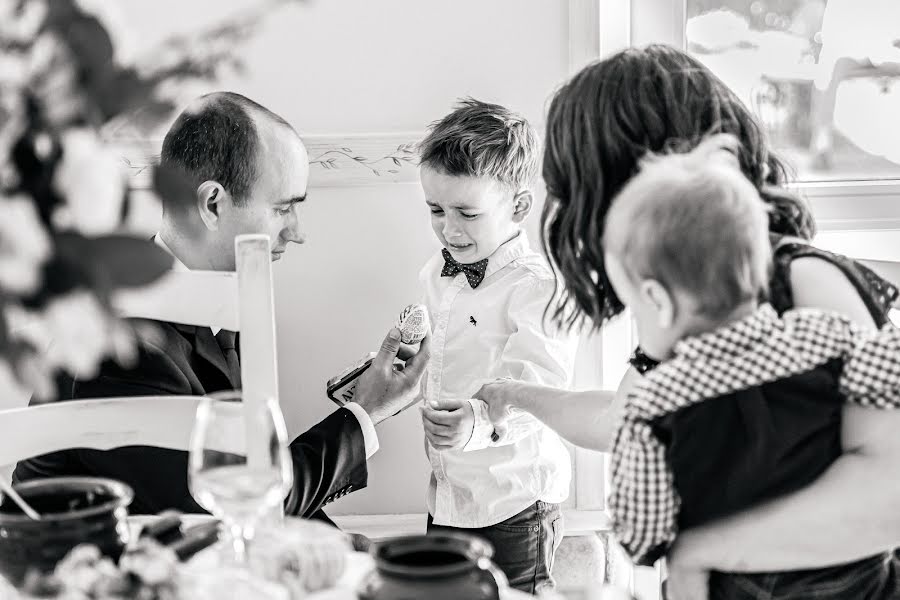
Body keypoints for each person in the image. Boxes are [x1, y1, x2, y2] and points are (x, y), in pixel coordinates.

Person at [470, 45, 900, 599]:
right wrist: (514, 394)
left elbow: (888, 491)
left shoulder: (801, 280)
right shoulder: (692, 296)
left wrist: (701, 550)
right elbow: (620, 417)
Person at [15, 92, 431, 520]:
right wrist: (364, 412)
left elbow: (256, 472)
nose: (297, 232)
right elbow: (237, 506)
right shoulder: (121, 345)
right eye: (283, 208)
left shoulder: (221, 301)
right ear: (212, 204)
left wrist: (344, 549)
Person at [603, 135, 900, 599]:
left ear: (658, 302)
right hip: (852, 577)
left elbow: (642, 536)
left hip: (736, 586)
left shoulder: (649, 404)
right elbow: (891, 375)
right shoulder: (824, 336)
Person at [416, 98, 578, 594]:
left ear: (519, 207)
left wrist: (478, 421)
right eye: (436, 210)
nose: (449, 228)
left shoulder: (537, 285)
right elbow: (440, 354)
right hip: (449, 491)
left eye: (467, 212)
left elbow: (540, 387)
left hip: (514, 497)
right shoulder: (434, 274)